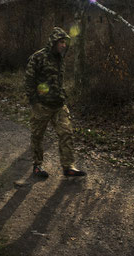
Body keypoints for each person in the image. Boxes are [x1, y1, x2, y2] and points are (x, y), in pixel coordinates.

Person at [25, 27, 86, 178]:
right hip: (42, 106)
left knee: (66, 133)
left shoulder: (60, 59)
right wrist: (34, 102)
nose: (64, 45)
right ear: (53, 42)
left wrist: (61, 96)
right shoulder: (38, 57)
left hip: (58, 104)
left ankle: (68, 166)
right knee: (37, 136)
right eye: (61, 42)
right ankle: (37, 166)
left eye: (65, 42)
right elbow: (29, 80)